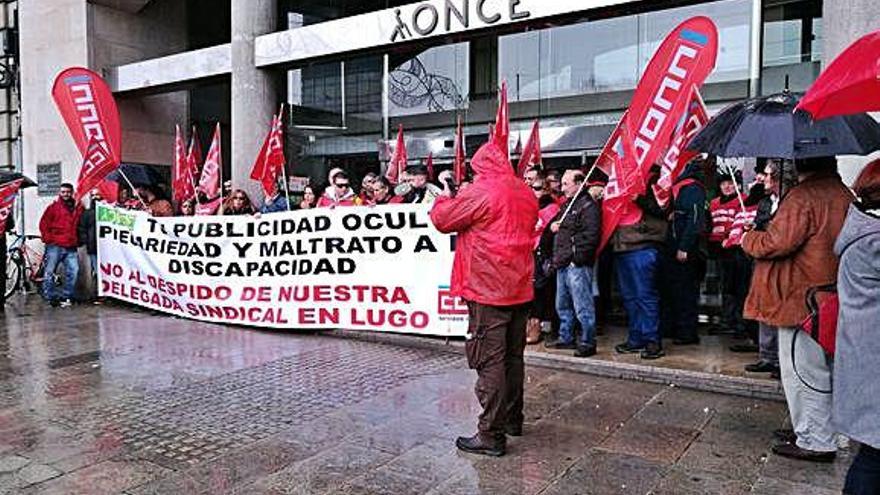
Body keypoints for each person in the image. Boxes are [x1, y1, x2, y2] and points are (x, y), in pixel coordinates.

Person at [430, 140, 538, 458]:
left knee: (490, 360)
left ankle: (490, 433)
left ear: (479, 166)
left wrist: (443, 199)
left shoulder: (482, 191)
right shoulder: (525, 191)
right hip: (518, 284)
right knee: (513, 358)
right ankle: (512, 420)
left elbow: (443, 220)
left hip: (487, 286)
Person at [742, 156, 852, 462]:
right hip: (829, 295)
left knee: (803, 373)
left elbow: (776, 243)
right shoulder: (843, 193)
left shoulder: (804, 196)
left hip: (799, 299)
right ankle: (826, 432)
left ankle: (815, 439)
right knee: (827, 370)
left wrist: (748, 237)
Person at [833, 159, 880, 494]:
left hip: (865, 359)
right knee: (874, 458)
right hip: (873, 361)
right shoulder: (873, 240)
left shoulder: (862, 230)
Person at [742, 160, 798, 376]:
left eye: (766, 174)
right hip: (763, 262)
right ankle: (767, 356)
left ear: (778, 177)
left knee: (780, 310)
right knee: (764, 307)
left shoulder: (792, 203)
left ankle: (781, 360)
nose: (762, 178)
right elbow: (760, 223)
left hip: (781, 264)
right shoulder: (765, 202)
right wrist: (754, 229)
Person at [612, 169, 668, 360]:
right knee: (630, 297)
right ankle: (637, 338)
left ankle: (652, 340)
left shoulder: (657, 180)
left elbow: (663, 209)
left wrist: (639, 198)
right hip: (622, 246)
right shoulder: (621, 179)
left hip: (643, 245)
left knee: (645, 295)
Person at [544, 170, 601, 357]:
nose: (563, 188)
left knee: (582, 305)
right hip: (563, 262)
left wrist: (577, 259)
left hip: (575, 264)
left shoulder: (588, 207)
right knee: (563, 305)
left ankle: (588, 341)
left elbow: (591, 237)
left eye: (567, 184)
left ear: (579, 183)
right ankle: (566, 337)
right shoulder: (568, 205)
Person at [709, 172, 745, 335]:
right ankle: (726, 320)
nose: (727, 187)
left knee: (735, 286)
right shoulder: (714, 203)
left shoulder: (742, 201)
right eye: (724, 184)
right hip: (718, 250)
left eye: (731, 183)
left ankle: (737, 322)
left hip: (736, 250)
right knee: (724, 286)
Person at [527, 176, 560, 344]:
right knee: (535, 292)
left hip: (545, 255)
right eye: (533, 187)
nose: (535, 191)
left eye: (538, 188)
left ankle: (548, 328)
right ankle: (535, 326)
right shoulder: (529, 206)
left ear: (546, 189)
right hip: (531, 253)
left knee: (547, 292)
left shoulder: (553, 208)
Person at [39, 183, 83, 307]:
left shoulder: (78, 207)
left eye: (68, 192)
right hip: (55, 245)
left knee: (74, 271)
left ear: (72, 192)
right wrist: (49, 239)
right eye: (63, 192)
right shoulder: (53, 208)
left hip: (71, 245)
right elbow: (44, 224)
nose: (65, 194)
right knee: (50, 271)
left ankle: (66, 295)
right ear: (59, 193)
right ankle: (49, 296)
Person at [77, 189, 101, 288]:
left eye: (98, 195)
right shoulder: (87, 214)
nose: (95, 197)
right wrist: (86, 241)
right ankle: (98, 293)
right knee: (97, 271)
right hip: (93, 247)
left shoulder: (108, 212)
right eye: (93, 195)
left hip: (108, 248)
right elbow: (81, 228)